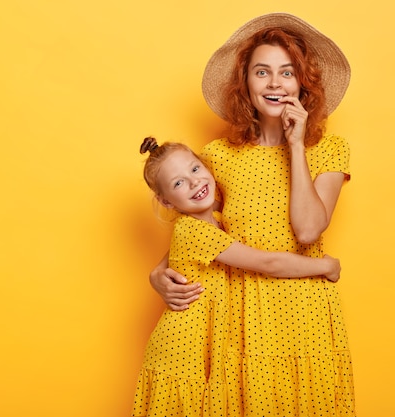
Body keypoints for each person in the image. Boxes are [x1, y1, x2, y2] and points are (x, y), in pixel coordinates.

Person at [147, 12, 355, 416]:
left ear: (303, 83)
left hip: (305, 310)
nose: (275, 83)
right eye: (262, 72)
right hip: (240, 316)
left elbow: (309, 230)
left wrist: (296, 146)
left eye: (287, 72)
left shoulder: (329, 149)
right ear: (246, 83)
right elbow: (202, 230)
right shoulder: (219, 155)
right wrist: (158, 274)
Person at [133, 136, 343, 417]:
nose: (194, 182)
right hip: (186, 351)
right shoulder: (194, 231)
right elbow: (267, 262)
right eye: (178, 183)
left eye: (195, 169)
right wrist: (325, 267)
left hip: (210, 346)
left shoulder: (218, 224)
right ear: (166, 202)